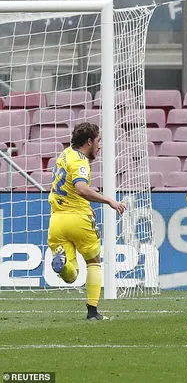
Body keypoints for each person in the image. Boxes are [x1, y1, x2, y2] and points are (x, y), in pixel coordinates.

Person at [48, 122, 127, 320]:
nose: (100, 146)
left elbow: (69, 188)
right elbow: (81, 188)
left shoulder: (65, 154)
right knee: (93, 262)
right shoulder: (80, 161)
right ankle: (93, 312)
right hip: (79, 220)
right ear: (89, 141)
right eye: (98, 141)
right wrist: (109, 200)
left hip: (57, 220)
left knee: (71, 274)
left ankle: (63, 263)